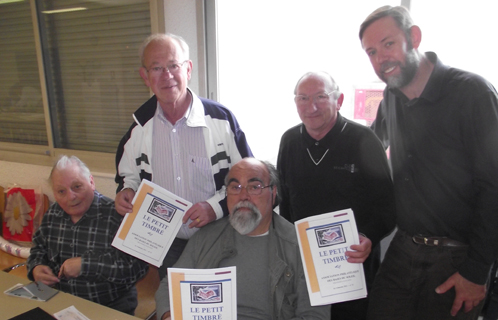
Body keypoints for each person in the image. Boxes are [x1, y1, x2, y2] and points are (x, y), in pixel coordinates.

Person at [359, 5, 498, 320]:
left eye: (388, 44)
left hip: (457, 257)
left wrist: (476, 272)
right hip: (403, 249)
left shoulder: (472, 92)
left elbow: (495, 187)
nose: (381, 58)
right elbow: (367, 150)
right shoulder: (391, 98)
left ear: (414, 37)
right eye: (371, 52)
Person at [115, 33, 252, 279]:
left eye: (173, 65)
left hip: (219, 235)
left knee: (221, 308)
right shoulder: (138, 129)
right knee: (176, 308)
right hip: (166, 245)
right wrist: (126, 193)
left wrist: (215, 208)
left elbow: (249, 181)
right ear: (145, 76)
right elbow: (128, 178)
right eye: (156, 68)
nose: (166, 76)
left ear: (187, 69)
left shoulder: (221, 121)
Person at [277, 71, 396, 320]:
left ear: (339, 100)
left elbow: (388, 207)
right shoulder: (289, 141)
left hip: (352, 264)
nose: (312, 106)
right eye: (303, 98)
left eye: (321, 96)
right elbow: (286, 205)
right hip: (306, 266)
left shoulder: (364, 140)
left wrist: (369, 237)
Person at [155, 157, 331, 319]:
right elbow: (169, 286)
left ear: (273, 192)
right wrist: (170, 316)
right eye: (235, 187)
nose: (243, 196)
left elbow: (314, 315)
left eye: (254, 187)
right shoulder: (205, 238)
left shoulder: (301, 247)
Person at [27, 155, 149, 315]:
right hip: (61, 304)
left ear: (91, 182)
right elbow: (38, 250)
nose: (70, 197)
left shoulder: (116, 215)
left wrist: (87, 265)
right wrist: (36, 268)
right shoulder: (52, 214)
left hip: (109, 308)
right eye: (61, 191)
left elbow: (136, 268)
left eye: (77, 186)